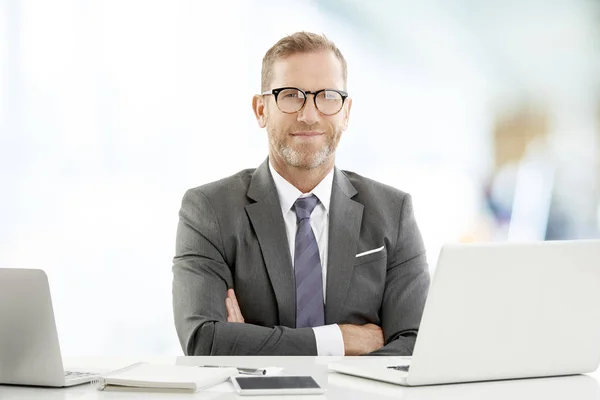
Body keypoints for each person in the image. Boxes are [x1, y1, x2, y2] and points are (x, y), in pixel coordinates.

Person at [172, 32, 430, 356]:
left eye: (327, 96)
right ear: (260, 109)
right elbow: (204, 341)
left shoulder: (394, 213)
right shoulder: (209, 211)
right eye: (291, 95)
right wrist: (338, 341)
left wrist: (249, 343)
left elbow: (417, 346)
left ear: (346, 112)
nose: (309, 114)